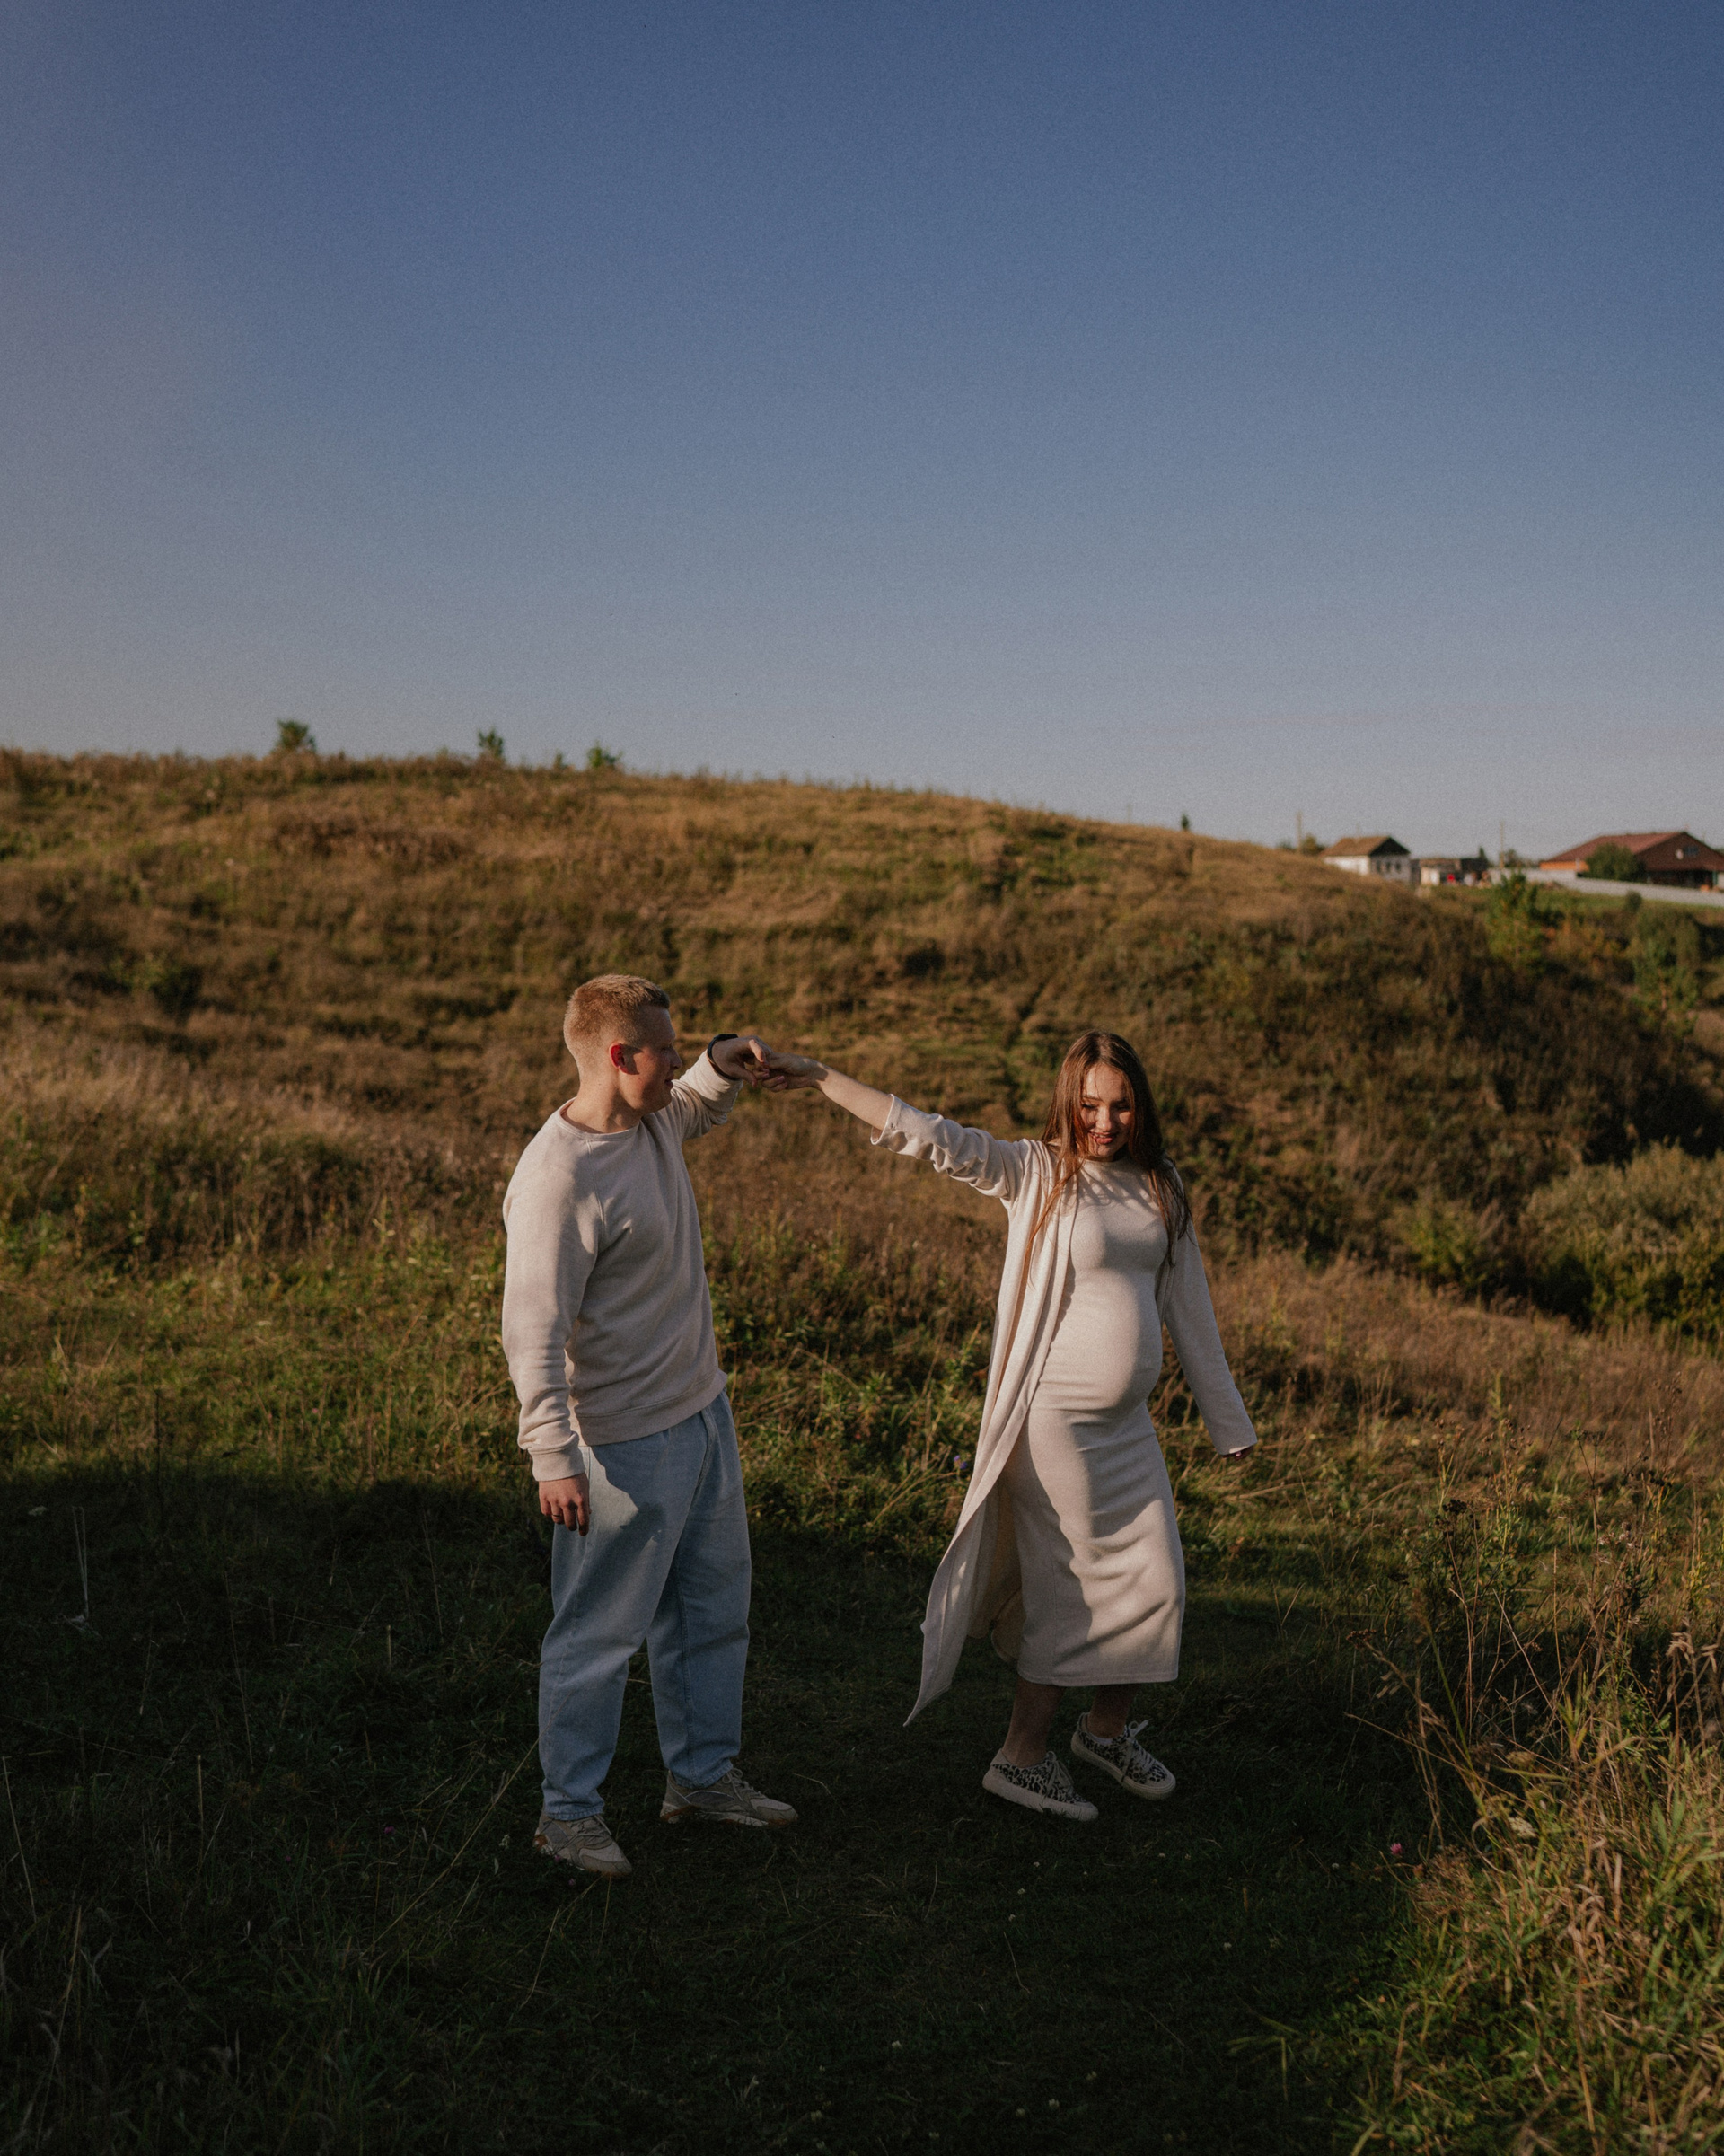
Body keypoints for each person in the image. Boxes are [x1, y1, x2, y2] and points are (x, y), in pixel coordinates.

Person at [774, 1030, 1256, 1821]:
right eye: (1090, 1105)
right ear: (1068, 1102)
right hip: (1052, 1423)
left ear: (1141, 1106)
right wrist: (820, 1075)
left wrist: (1226, 1419)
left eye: (1121, 1105)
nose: (1106, 1122)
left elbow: (1189, 1304)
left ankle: (1103, 1733)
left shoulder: (1160, 1183)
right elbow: (925, 1132)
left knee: (1157, 1577)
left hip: (1128, 1427)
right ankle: (1020, 1757)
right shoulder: (1037, 1172)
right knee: (1070, 1589)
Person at [500, 973, 803, 1877]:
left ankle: (701, 1778)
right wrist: (552, 1456)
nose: (676, 1063)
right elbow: (532, 1332)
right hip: (620, 1445)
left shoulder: (654, 1117)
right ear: (617, 1056)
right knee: (597, 1634)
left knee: (713, 1607)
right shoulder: (557, 1179)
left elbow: (696, 1102)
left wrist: (721, 1062)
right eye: (664, 1050)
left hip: (702, 1411)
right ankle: (567, 1817)